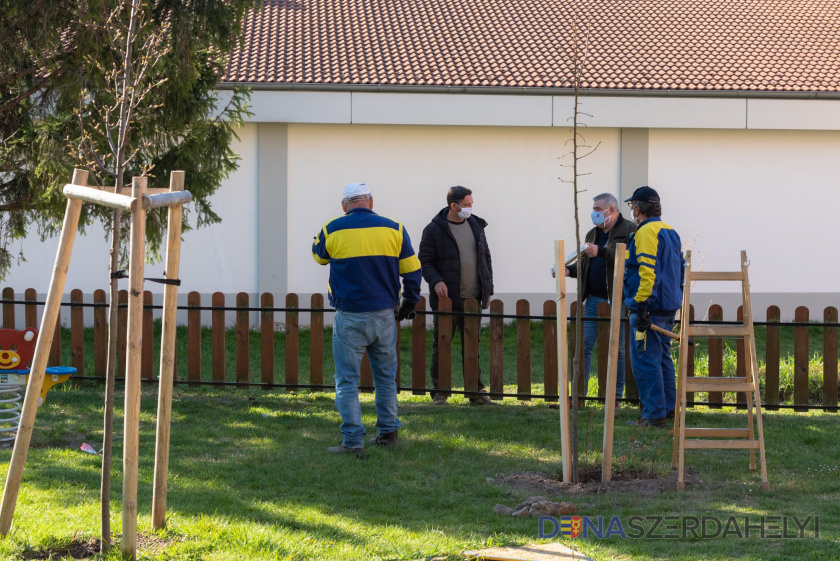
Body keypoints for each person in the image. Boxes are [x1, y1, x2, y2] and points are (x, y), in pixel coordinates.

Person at [312, 182, 422, 453]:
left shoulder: (332, 228)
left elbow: (318, 257)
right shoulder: (395, 228)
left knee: (347, 379)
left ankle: (352, 441)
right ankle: (388, 434)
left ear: (344, 205)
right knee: (386, 377)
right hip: (384, 313)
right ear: (370, 202)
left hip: (349, 313)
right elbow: (412, 269)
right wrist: (409, 301)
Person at [418, 186, 495, 406]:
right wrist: (436, 280)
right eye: (467, 204)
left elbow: (485, 259)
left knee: (472, 345)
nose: (471, 208)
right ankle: (440, 392)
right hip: (447, 300)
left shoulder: (476, 226)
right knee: (442, 343)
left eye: (472, 203)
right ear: (454, 206)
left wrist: (487, 289)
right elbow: (425, 261)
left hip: (473, 298)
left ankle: (476, 392)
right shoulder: (433, 229)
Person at [622, 186, 685, 429]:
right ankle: (668, 409)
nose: (632, 211)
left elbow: (647, 272)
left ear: (638, 208)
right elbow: (679, 269)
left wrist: (641, 305)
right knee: (662, 359)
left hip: (650, 307)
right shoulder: (670, 231)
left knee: (645, 361)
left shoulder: (645, 231)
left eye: (632, 207)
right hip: (667, 306)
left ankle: (653, 415)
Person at [565, 193, 635, 407]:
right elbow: (586, 264)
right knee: (583, 346)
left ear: (611, 211)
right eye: (593, 208)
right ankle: (579, 397)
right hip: (594, 300)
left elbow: (631, 259)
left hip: (618, 299)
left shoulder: (630, 230)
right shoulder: (592, 233)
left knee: (618, 349)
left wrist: (603, 251)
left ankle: (615, 398)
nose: (594, 213)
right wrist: (569, 270)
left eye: (598, 209)